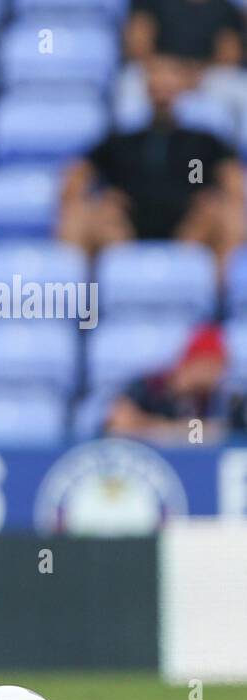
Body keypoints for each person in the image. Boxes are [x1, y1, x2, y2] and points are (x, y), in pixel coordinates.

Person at [58, 47, 245, 271]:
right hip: (124, 232)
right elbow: (76, 176)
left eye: (170, 75)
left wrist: (216, 199)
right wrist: (96, 200)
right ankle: (82, 300)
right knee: (79, 216)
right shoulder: (122, 141)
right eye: (156, 75)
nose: (163, 83)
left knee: (228, 214)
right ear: (145, 85)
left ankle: (218, 300)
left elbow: (233, 181)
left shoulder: (202, 142)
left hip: (190, 230)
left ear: (184, 85)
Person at [106, 323, 247, 442]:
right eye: (215, 365)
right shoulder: (150, 386)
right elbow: (118, 423)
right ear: (198, 360)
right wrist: (166, 430)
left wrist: (154, 427)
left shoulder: (215, 397)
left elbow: (214, 432)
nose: (219, 373)